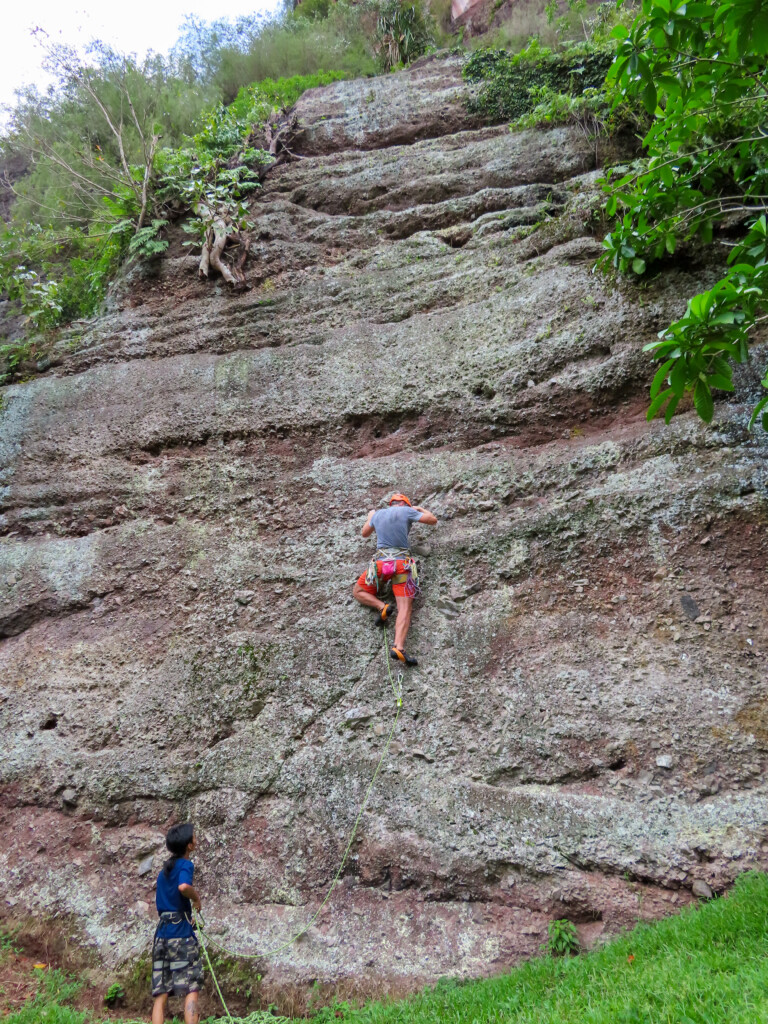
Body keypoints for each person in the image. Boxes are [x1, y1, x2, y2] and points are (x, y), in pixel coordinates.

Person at [352, 493, 437, 667]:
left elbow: (364, 533)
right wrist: (419, 509)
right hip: (401, 566)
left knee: (358, 591)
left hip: (381, 566)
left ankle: (382, 607)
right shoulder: (407, 511)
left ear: (391, 504)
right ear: (405, 504)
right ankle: (398, 647)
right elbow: (432, 519)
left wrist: (370, 517)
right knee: (404, 608)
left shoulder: (378, 514)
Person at [151, 823, 203, 1024]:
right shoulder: (185, 865)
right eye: (194, 837)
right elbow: (183, 886)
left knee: (161, 993)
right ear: (189, 845)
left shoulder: (164, 871)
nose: (196, 839)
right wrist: (196, 899)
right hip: (180, 933)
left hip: (161, 936)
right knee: (191, 987)